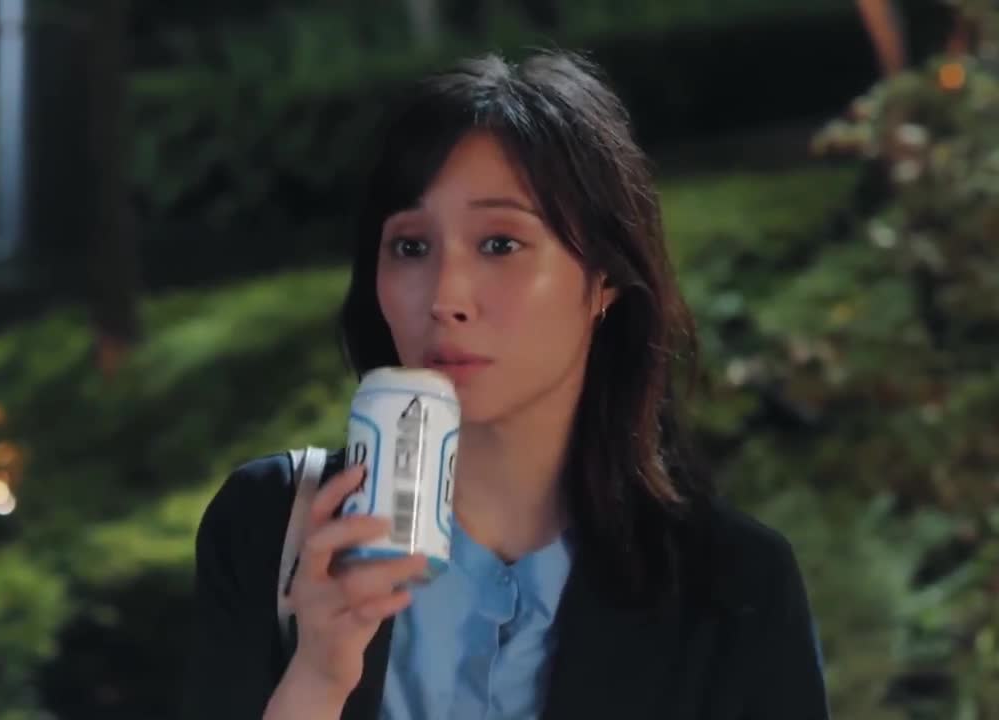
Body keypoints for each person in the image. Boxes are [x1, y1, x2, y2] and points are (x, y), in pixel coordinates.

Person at [180, 49, 830, 720]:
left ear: (604, 278)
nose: (445, 297)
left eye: (499, 244)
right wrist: (318, 677)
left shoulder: (733, 591)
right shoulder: (271, 530)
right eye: (410, 246)